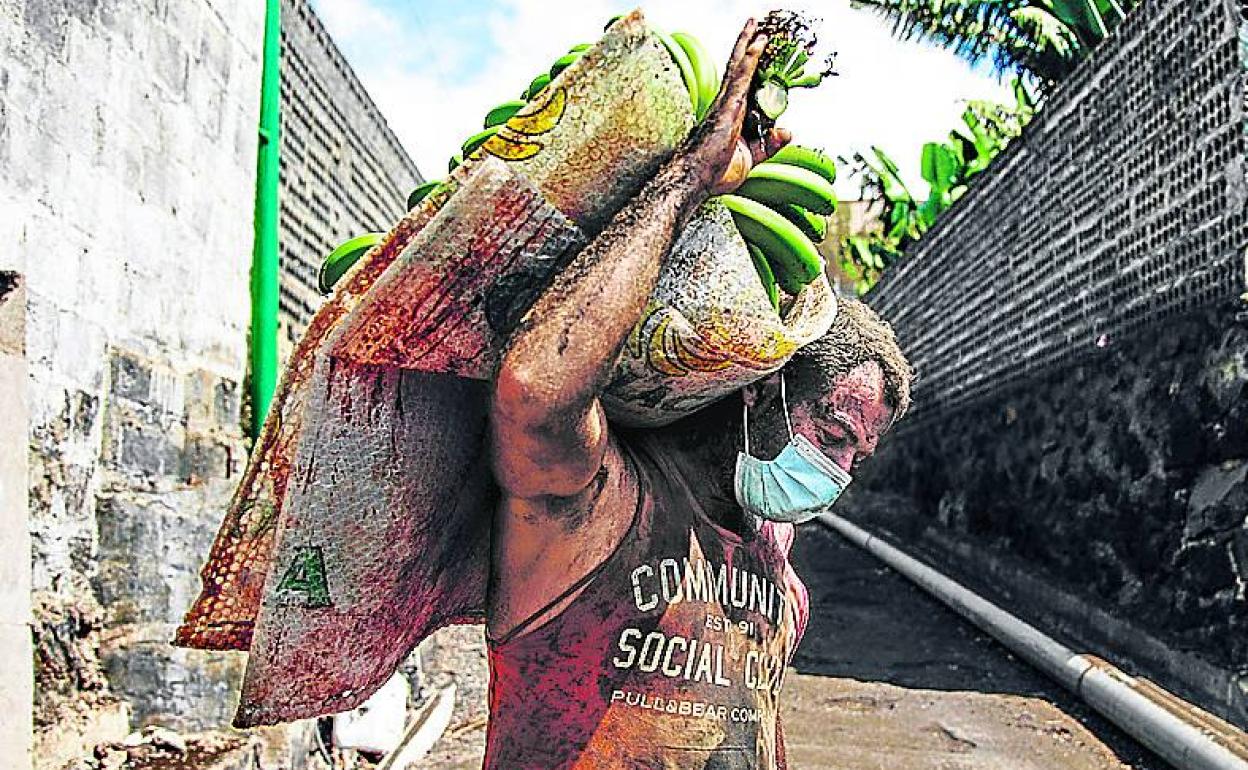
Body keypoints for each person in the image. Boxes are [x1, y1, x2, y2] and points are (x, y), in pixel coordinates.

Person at [484, 19, 913, 770]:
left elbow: (757, 735)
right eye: (835, 433)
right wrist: (690, 179)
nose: (838, 473)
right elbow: (535, 395)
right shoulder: (602, 503)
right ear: (762, 393)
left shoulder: (779, 583)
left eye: (857, 456)